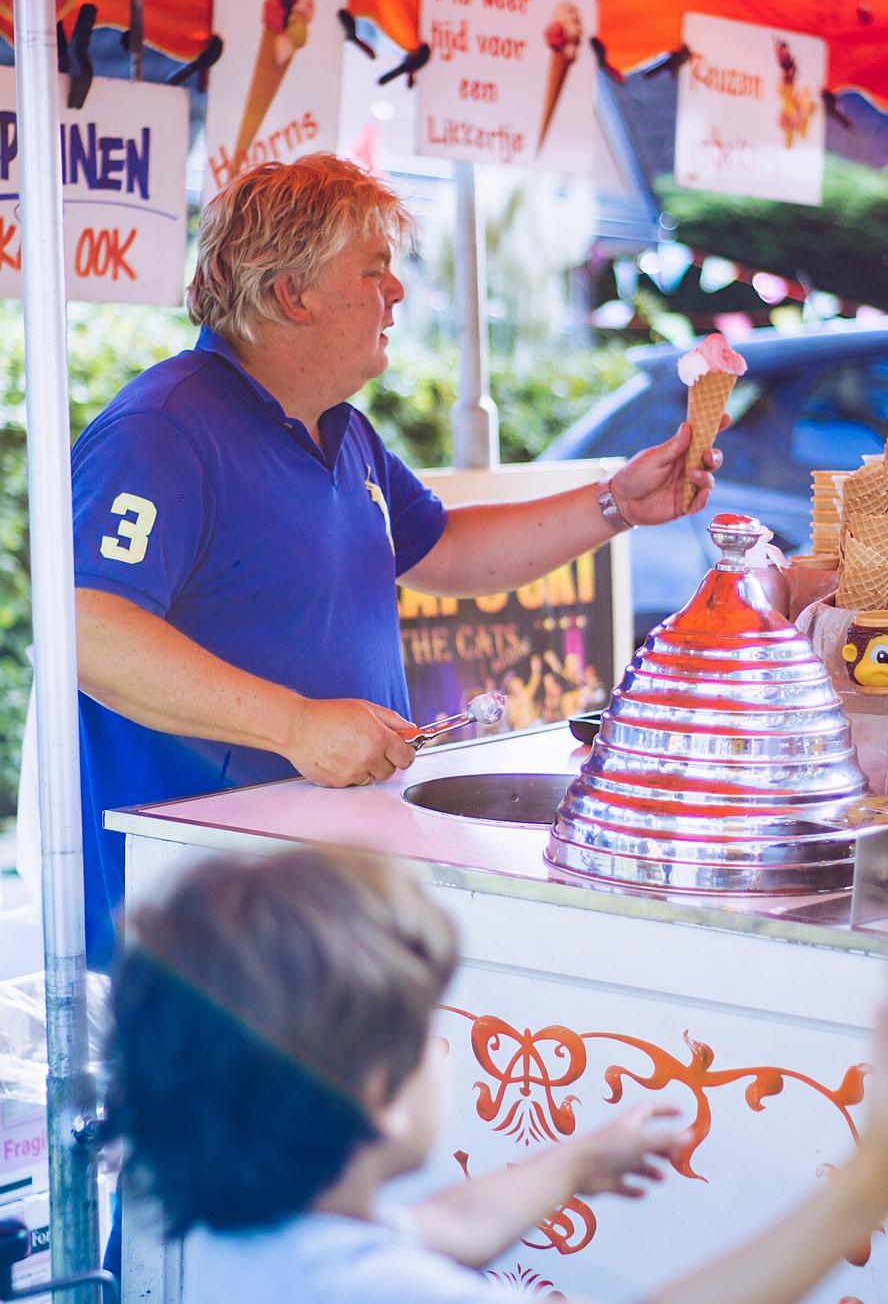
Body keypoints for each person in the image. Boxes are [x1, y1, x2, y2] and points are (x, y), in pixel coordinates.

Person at [72, 154, 724, 971]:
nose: (398, 291)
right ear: (290, 293)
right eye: (375, 269)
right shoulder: (164, 428)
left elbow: (444, 549)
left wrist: (618, 503)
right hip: (199, 913)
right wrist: (295, 724)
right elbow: (89, 631)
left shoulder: (341, 428)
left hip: (318, 886)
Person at [104, 844, 888, 1304]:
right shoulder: (375, 1289)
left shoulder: (247, 1229)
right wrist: (872, 1185)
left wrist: (575, 1163)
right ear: (374, 1091)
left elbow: (446, 1225)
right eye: (420, 1039)